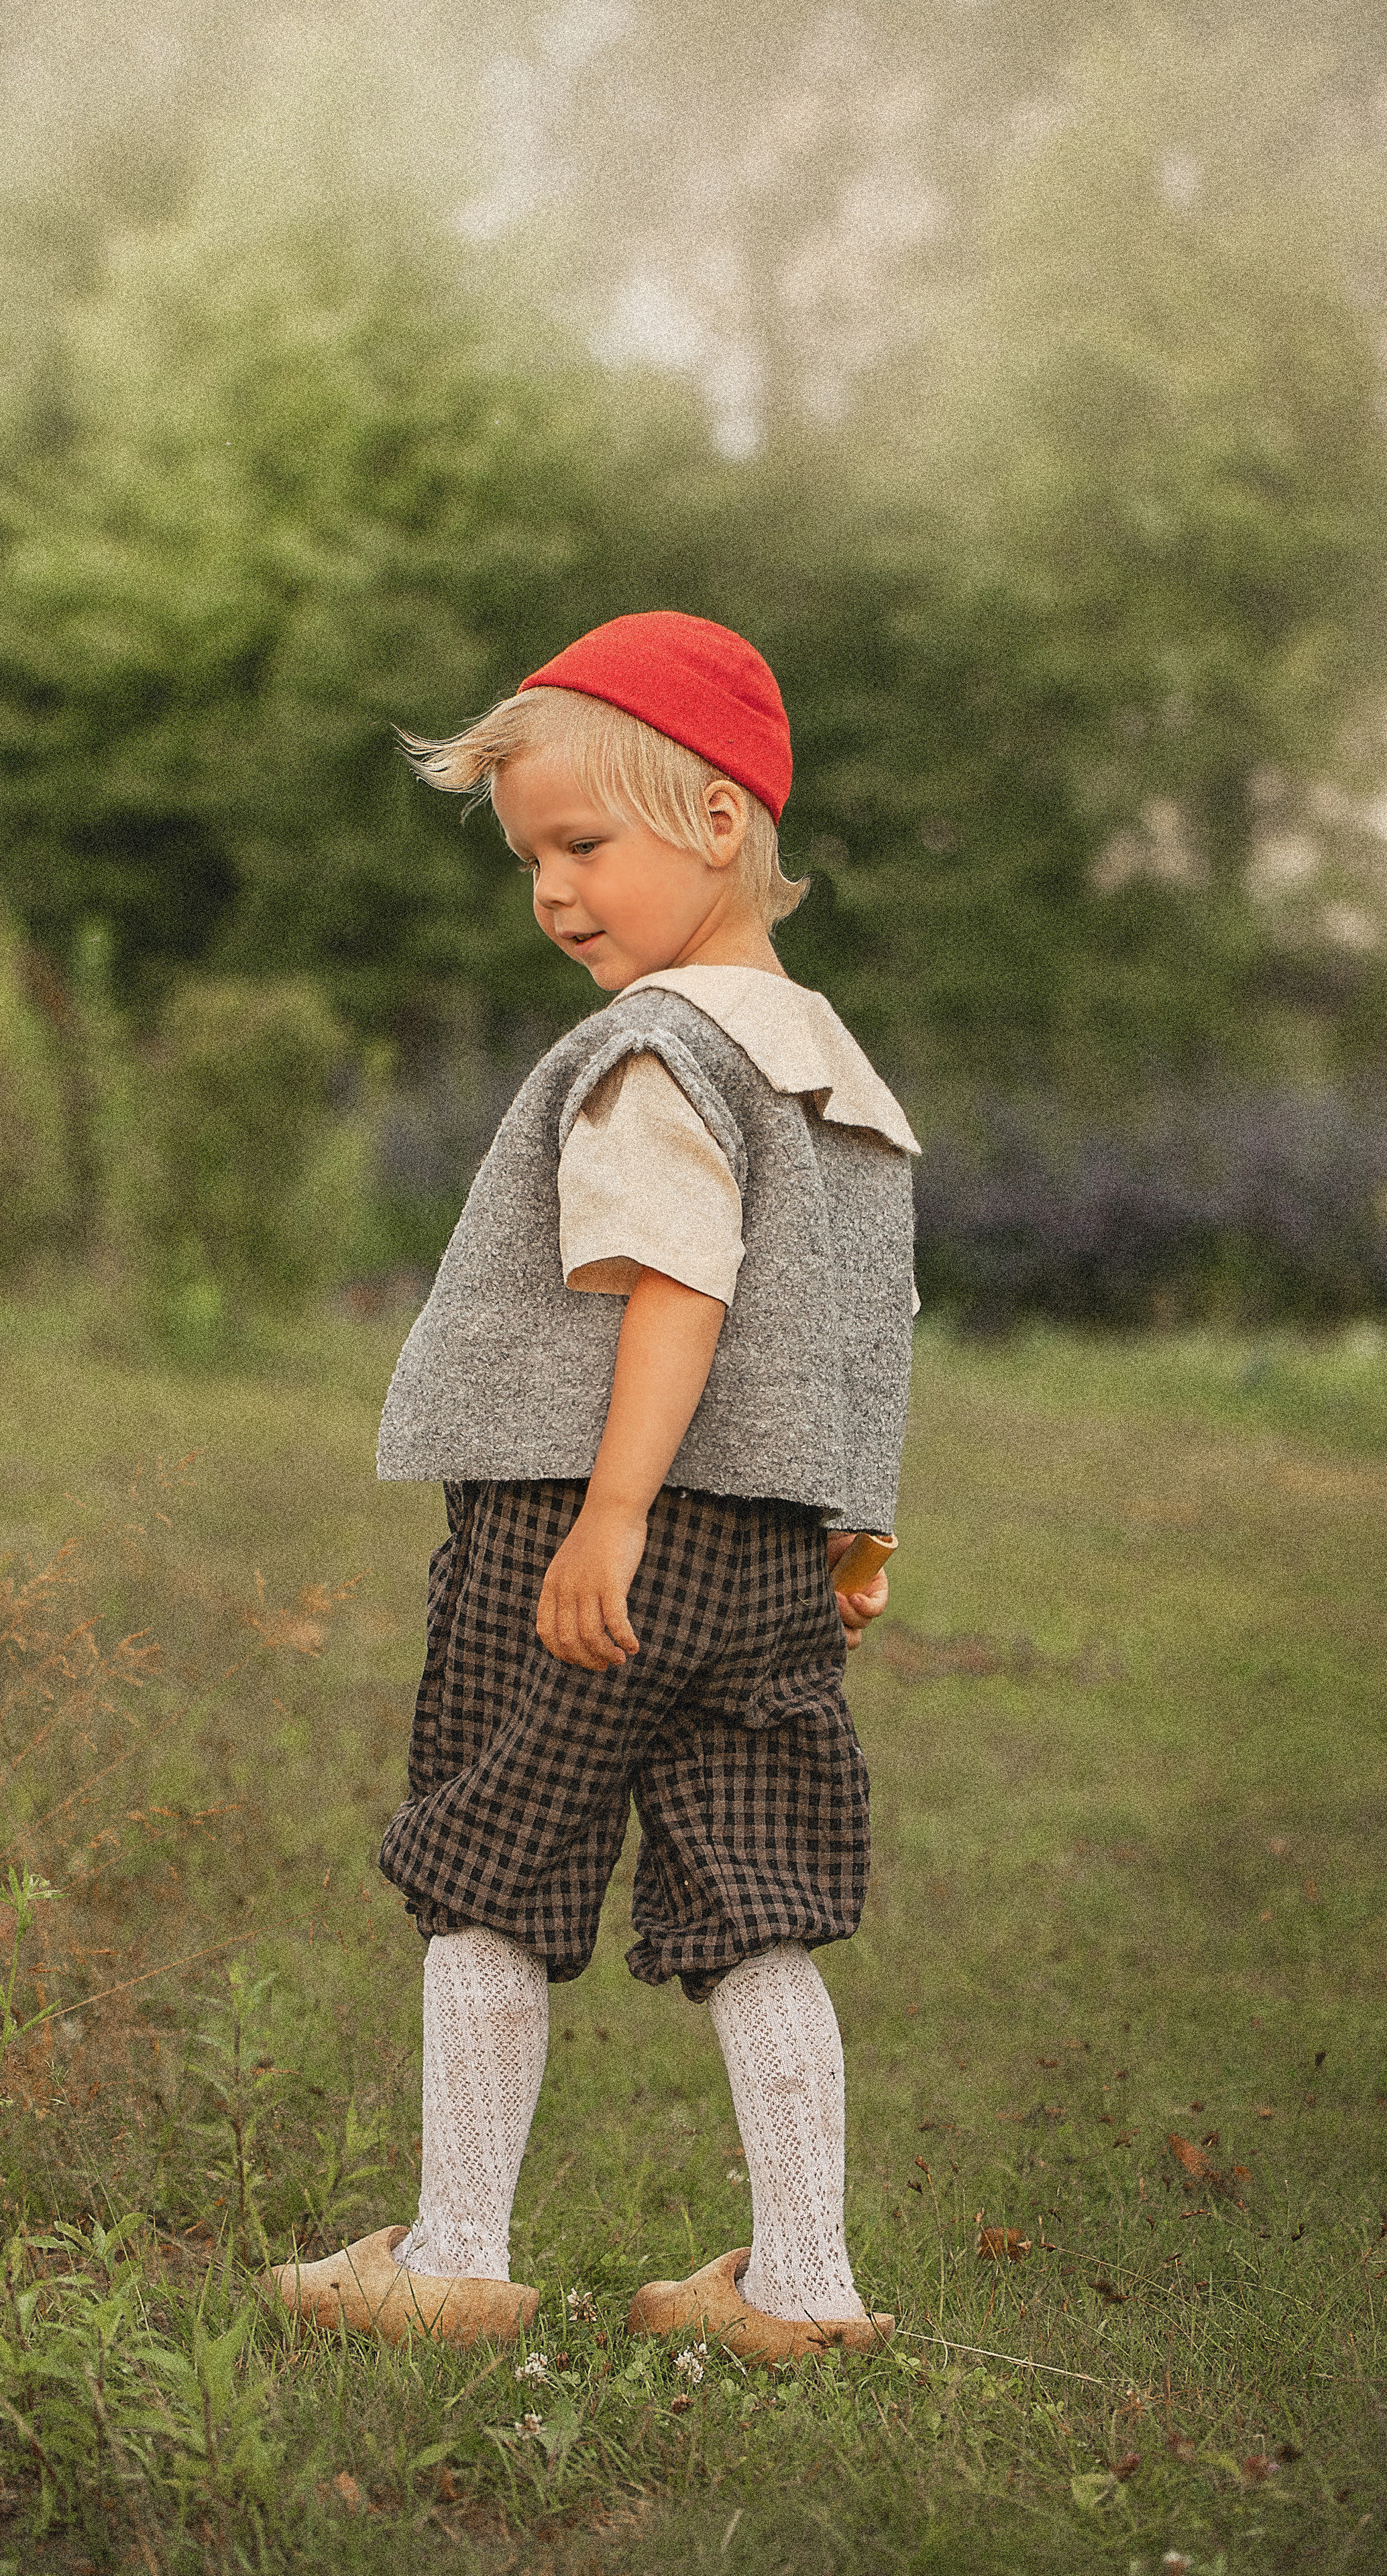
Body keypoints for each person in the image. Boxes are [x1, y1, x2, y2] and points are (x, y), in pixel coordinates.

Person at [272, 610, 918, 2359]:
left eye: (582, 843)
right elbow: (858, 1333)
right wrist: (849, 1534)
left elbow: (683, 1291)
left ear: (720, 824)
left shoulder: (656, 1053)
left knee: (494, 1858)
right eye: (532, 858)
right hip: (776, 1563)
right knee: (756, 1901)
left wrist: (618, 1512)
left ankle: (455, 2249)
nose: (553, 890)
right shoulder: (836, 1076)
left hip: (590, 1533)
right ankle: (801, 2283)